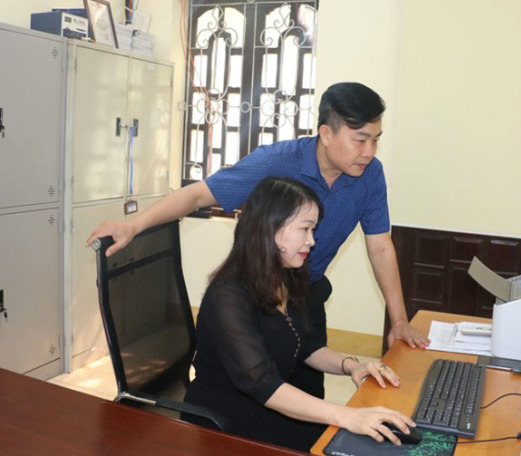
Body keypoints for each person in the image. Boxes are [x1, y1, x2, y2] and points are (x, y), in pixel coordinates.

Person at [87, 81, 430, 399]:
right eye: (360, 139)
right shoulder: (278, 161)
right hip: (256, 298)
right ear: (326, 133)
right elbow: (197, 196)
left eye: (376, 139)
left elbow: (380, 245)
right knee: (257, 393)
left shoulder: (371, 175)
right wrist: (134, 225)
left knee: (308, 398)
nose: (369, 151)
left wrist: (399, 321)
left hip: (304, 295)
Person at [183, 176, 416, 451]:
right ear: (270, 228)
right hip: (227, 422)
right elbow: (263, 384)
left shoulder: (285, 277)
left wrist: (353, 366)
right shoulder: (228, 296)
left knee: (363, 440)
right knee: (343, 441)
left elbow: (306, 346)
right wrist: (346, 415)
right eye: (305, 229)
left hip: (267, 405)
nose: (312, 241)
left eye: (313, 230)